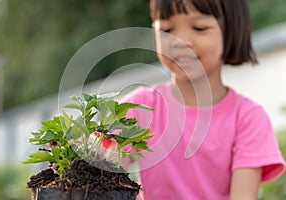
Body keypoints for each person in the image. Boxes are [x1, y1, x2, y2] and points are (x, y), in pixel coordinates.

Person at [119, 0, 286, 199]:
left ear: (231, 31)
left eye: (199, 28)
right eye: (167, 29)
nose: (179, 41)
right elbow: (100, 169)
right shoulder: (140, 107)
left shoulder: (247, 119)